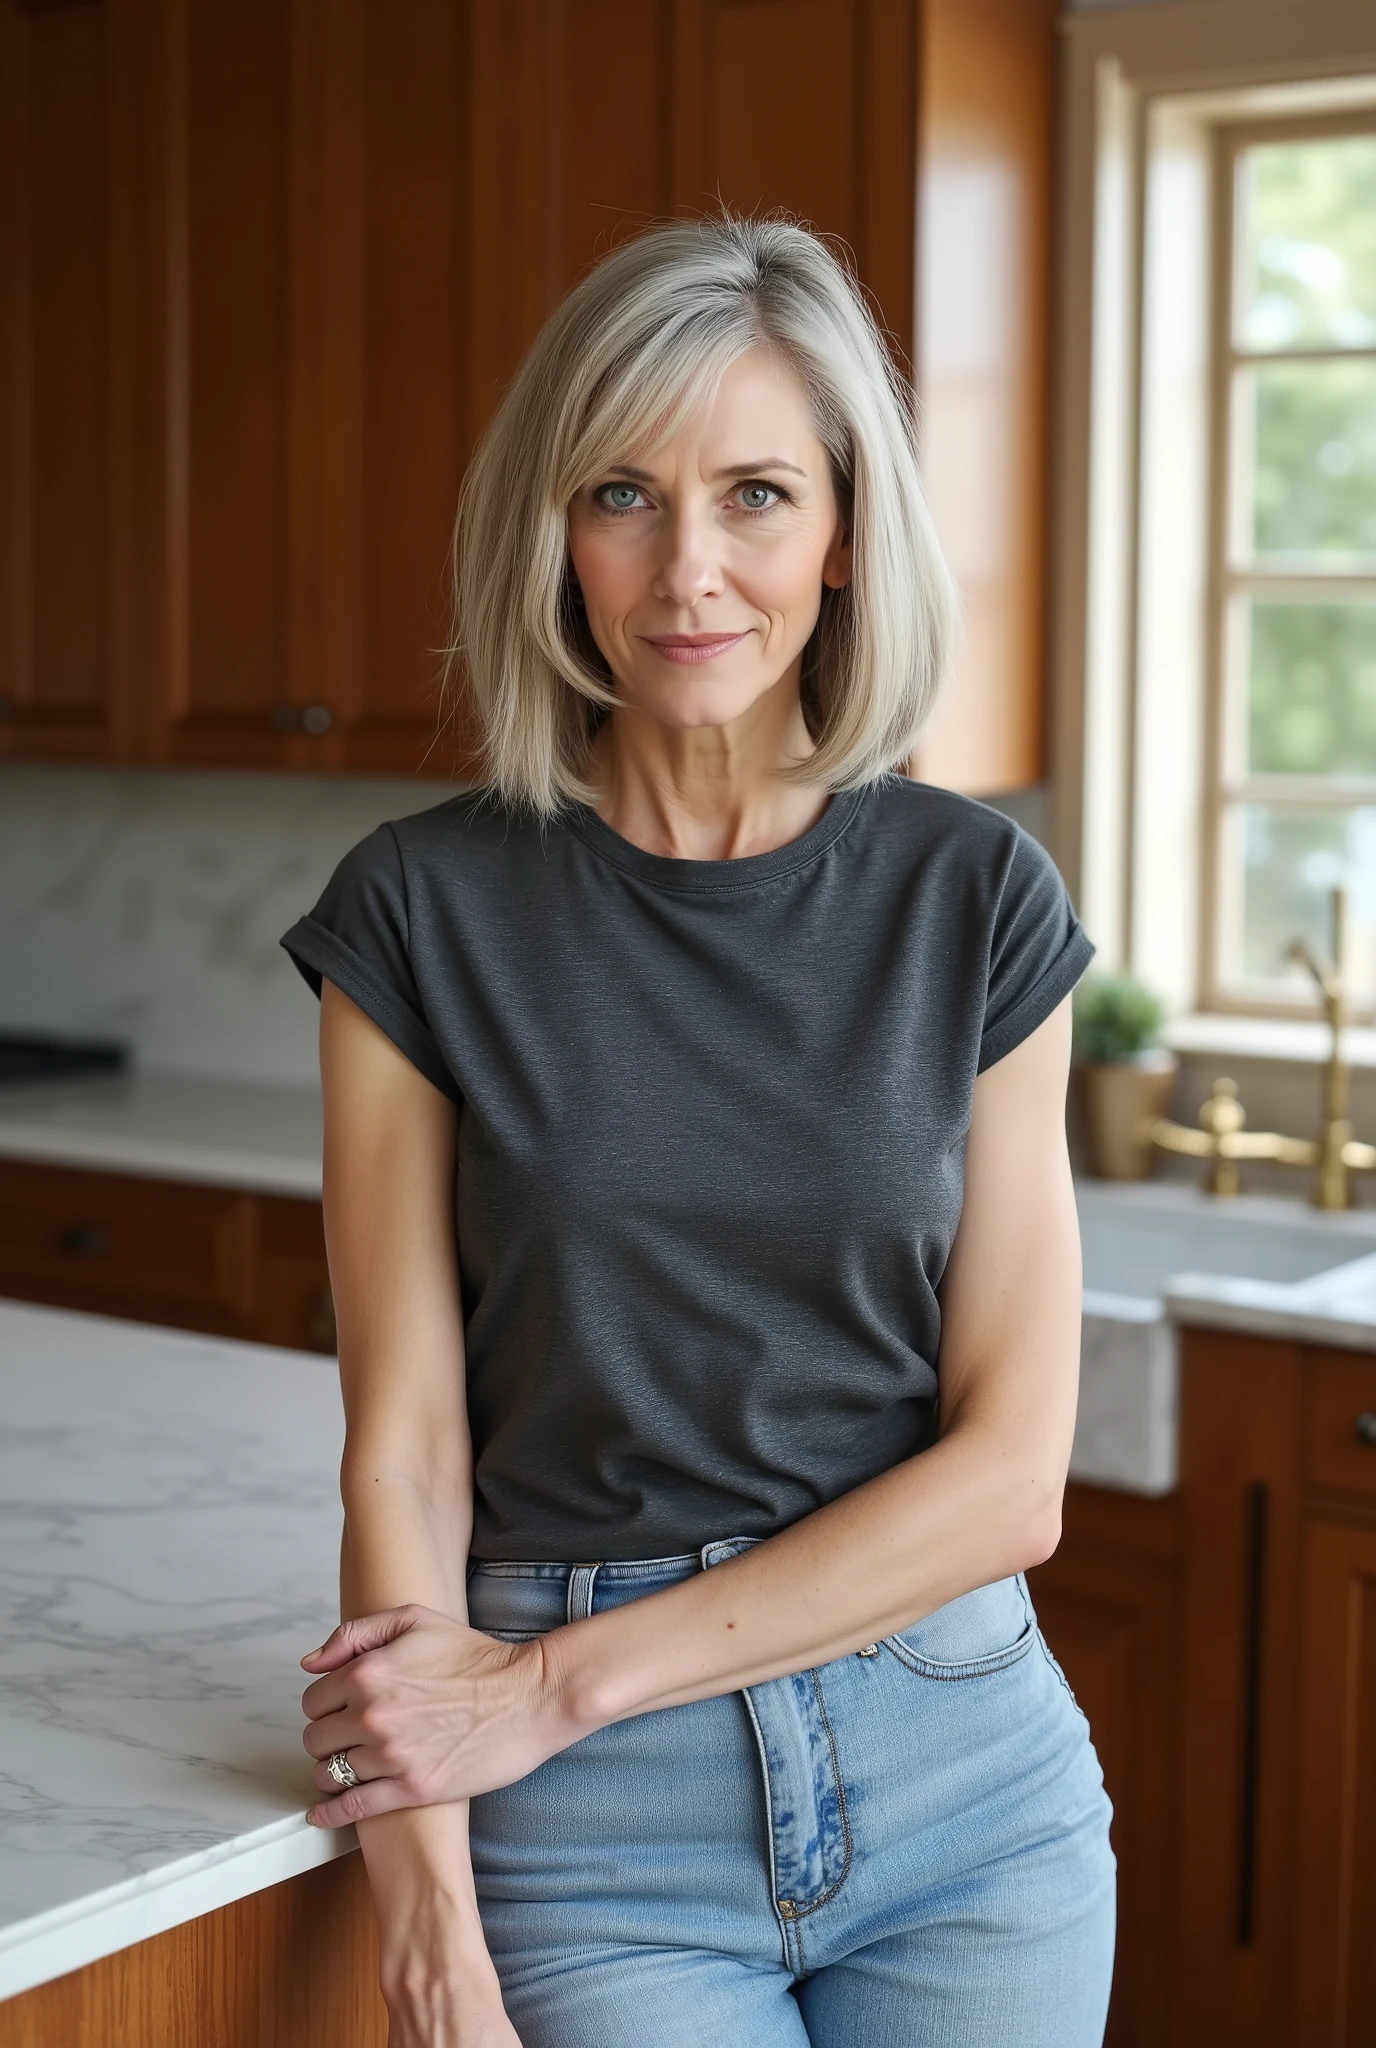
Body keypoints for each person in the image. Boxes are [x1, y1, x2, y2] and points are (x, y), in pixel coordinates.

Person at [281, 214, 1114, 2048]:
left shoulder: (977, 903)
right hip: (596, 1837)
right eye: (622, 496)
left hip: (965, 1777)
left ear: (842, 532)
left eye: (754, 495)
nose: (690, 572)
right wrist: (429, 1921)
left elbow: (1013, 1480)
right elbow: (404, 1456)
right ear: (552, 531)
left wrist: (552, 1688)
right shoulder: (421, 917)